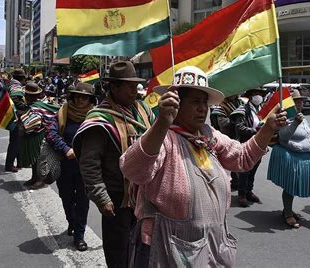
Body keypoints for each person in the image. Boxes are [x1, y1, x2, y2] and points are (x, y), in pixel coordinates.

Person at [119, 66, 287, 267]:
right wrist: (161, 124)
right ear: (177, 104)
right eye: (194, 102)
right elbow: (133, 170)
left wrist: (268, 128)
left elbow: (242, 158)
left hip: (210, 248)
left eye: (204, 102)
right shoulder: (163, 138)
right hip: (166, 252)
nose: (202, 108)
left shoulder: (209, 136)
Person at [73, 61, 154, 267]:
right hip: (118, 198)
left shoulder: (143, 109)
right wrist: (101, 197)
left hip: (144, 194)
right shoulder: (100, 119)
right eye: (129, 86)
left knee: (142, 247)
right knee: (118, 250)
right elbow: (90, 163)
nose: (135, 90)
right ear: (114, 87)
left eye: (136, 85)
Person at [45, 83, 96, 251]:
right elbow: (51, 133)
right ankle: (71, 222)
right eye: (77, 96)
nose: (80, 100)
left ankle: (79, 236)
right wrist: (65, 148)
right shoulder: (62, 112)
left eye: (85, 97)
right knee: (66, 198)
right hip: (64, 164)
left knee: (83, 201)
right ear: (72, 97)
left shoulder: (96, 116)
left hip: (86, 168)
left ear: (90, 99)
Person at [267, 89, 310, 228]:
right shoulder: (286, 117)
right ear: (290, 103)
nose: (300, 104)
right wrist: (295, 122)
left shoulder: (302, 117)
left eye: (301, 101)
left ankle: (288, 209)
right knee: (290, 186)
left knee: (294, 186)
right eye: (297, 101)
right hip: (291, 155)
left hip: (303, 156)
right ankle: (287, 213)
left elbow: (308, 131)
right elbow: (284, 136)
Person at [230, 88, 267, 207]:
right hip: (246, 144)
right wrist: (254, 131)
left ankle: (249, 191)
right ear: (250, 96)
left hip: (259, 144)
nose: (258, 97)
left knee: (254, 170)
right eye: (256, 94)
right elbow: (239, 127)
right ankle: (242, 194)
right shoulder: (243, 110)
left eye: (260, 94)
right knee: (245, 170)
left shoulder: (262, 110)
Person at [210, 94, 244, 190]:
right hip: (226, 137)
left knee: (238, 160)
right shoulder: (221, 105)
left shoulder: (240, 103)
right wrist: (235, 121)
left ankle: (236, 182)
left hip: (240, 134)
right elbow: (222, 124)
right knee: (225, 161)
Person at [4, 69, 27, 173]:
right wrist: (24, 106)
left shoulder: (11, 83)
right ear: (22, 78)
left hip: (13, 116)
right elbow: (15, 98)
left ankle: (20, 162)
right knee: (15, 141)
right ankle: (9, 164)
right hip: (16, 116)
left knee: (17, 140)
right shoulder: (16, 85)